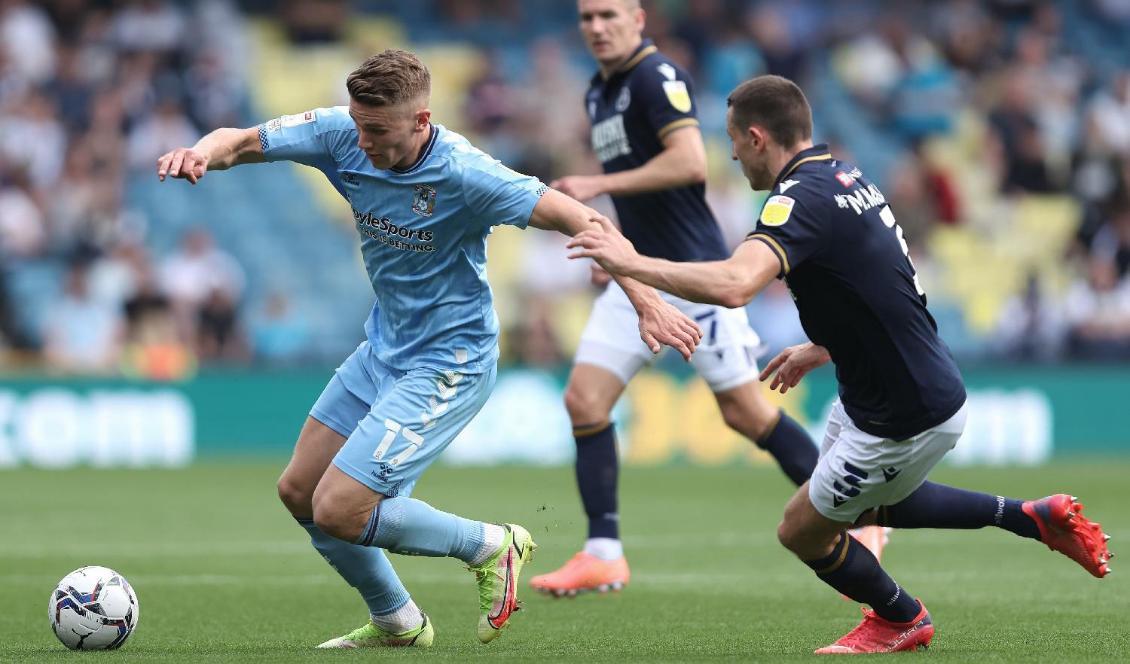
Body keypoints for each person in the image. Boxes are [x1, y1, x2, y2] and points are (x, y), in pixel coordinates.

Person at [157, 49, 701, 650]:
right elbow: (241, 141)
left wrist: (645, 301)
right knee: (297, 492)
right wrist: (201, 153)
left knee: (339, 508)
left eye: (378, 131)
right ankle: (397, 622)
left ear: (420, 122)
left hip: (450, 361)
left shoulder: (469, 175)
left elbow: (590, 223)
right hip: (382, 348)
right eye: (359, 125)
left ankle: (491, 545)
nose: (362, 142)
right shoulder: (342, 132)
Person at [567, 74, 1113, 654]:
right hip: (890, 391)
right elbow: (882, 281)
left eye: (731, 139)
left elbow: (735, 284)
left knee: (800, 530)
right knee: (867, 506)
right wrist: (824, 345)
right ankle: (1031, 516)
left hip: (901, 413)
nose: (728, 153)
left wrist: (631, 261)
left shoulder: (796, 200)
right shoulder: (846, 176)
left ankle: (902, 617)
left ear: (757, 138)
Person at [530, 0, 873, 598]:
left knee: (746, 413)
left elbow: (689, 162)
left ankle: (862, 517)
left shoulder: (654, 77)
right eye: (587, 18)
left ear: (638, 18)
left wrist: (597, 184)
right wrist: (616, 254)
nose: (597, 27)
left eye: (609, 15)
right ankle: (604, 554)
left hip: (691, 274)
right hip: (636, 273)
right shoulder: (598, 91)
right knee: (584, 400)